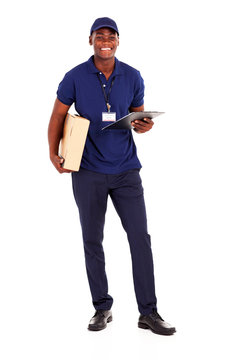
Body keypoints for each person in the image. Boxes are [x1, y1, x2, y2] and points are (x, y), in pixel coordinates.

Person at [48, 17, 176, 336]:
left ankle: (148, 312)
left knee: (140, 239)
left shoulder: (132, 76)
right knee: (93, 239)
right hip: (88, 171)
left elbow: (138, 116)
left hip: (126, 171)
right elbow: (58, 115)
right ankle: (101, 308)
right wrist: (53, 153)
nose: (106, 40)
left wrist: (145, 125)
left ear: (118, 41)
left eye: (112, 36)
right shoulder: (75, 77)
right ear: (90, 39)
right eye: (100, 36)